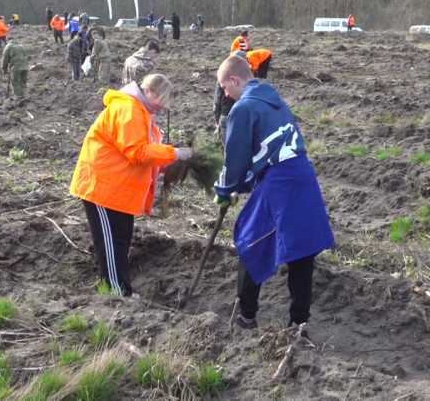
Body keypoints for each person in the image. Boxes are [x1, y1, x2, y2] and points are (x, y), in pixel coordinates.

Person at [214, 55, 334, 330]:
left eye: (224, 86)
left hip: (280, 185)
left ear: (234, 80)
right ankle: (299, 323)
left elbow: (236, 160)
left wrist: (225, 189)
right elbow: (269, 151)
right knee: (302, 252)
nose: (224, 93)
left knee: (250, 243)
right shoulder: (274, 100)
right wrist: (243, 185)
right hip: (303, 178)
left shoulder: (243, 109)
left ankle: (246, 317)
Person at [69, 74, 194, 296]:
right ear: (150, 92)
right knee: (111, 244)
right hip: (101, 188)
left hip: (117, 190)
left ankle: (117, 289)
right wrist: (174, 153)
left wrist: (168, 162)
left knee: (121, 240)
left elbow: (144, 154)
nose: (162, 108)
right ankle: (117, 294)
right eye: (161, 101)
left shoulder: (140, 113)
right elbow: (137, 152)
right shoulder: (128, 110)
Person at [2, 34, 29, 99]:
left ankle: (19, 99)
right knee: (23, 83)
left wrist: (4, 70)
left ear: (8, 40)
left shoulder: (8, 46)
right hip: (25, 67)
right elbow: (26, 56)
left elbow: (5, 59)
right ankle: (25, 96)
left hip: (16, 67)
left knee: (16, 83)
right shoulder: (21, 46)